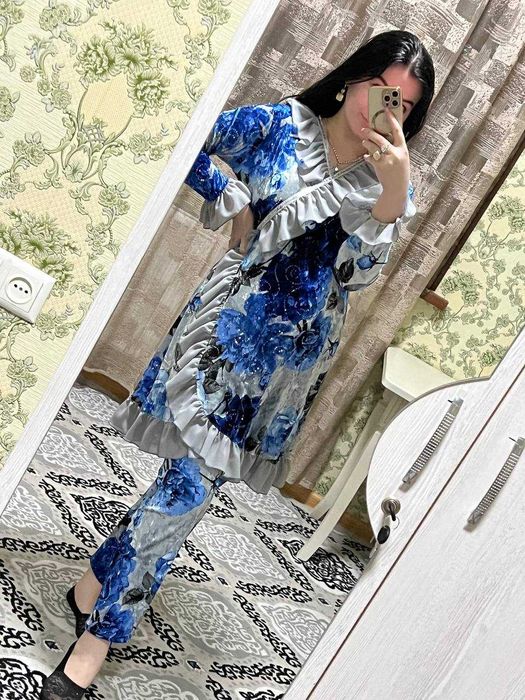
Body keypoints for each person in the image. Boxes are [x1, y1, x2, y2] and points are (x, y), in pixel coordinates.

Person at [41, 28, 434, 699]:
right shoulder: (279, 126)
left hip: (285, 370)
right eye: (379, 88)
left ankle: (93, 583)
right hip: (223, 337)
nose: (383, 108)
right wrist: (231, 198)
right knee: (185, 491)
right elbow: (188, 136)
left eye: (403, 103)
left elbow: (357, 276)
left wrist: (394, 194)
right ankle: (98, 639)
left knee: (184, 491)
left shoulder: (387, 181)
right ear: (352, 78)